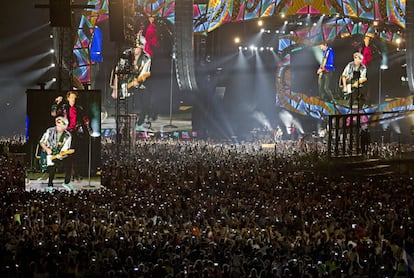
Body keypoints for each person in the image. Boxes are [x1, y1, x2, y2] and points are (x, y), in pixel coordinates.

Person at [51, 90, 90, 181]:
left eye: (74, 98)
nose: (73, 99)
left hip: (76, 133)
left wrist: (89, 129)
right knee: (67, 155)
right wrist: (56, 103)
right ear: (68, 98)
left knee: (76, 154)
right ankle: (68, 174)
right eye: (71, 97)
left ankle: (75, 174)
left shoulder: (79, 108)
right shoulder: (64, 108)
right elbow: (53, 113)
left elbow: (85, 120)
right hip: (67, 134)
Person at [39, 116, 73, 190]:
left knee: (69, 164)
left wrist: (61, 154)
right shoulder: (50, 131)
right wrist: (47, 149)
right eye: (58, 126)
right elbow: (42, 142)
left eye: (61, 126)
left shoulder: (68, 135)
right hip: (49, 155)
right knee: (52, 167)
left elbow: (66, 147)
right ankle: (50, 185)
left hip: (60, 155)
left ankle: (67, 183)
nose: (59, 128)